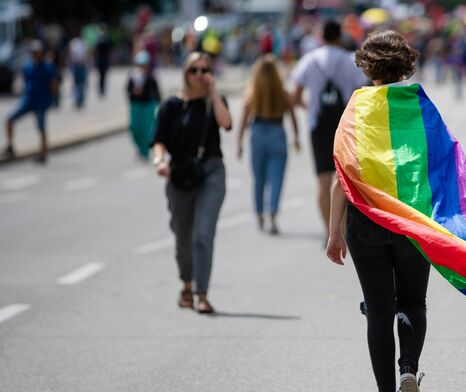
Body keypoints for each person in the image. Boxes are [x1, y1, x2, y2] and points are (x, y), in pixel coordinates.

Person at [326, 30, 428, 392]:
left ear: (367, 65)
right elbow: (441, 164)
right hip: (411, 220)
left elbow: (342, 174)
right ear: (406, 65)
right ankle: (409, 371)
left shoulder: (357, 106)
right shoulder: (418, 104)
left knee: (379, 310)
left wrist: (335, 232)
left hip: (365, 223)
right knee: (413, 302)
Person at [150, 52, 232, 314]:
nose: (199, 75)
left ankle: (202, 293)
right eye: (193, 70)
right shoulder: (171, 105)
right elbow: (158, 141)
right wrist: (160, 161)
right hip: (179, 175)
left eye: (204, 70)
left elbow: (227, 123)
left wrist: (214, 91)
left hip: (211, 173)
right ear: (185, 73)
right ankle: (187, 283)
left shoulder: (214, 102)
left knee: (203, 235)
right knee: (182, 237)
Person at [290, 20, 368, 238]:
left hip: (318, 126)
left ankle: (328, 231)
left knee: (323, 182)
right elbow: (362, 92)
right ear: (339, 37)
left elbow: (295, 96)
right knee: (344, 179)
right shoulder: (350, 60)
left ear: (321, 37)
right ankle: (342, 229)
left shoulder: (310, 59)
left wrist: (312, 108)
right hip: (345, 125)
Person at [236, 54, 300, 234]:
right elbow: (293, 116)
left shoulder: (252, 93)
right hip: (277, 132)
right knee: (276, 178)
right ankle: (272, 213)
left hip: (257, 133)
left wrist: (239, 143)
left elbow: (242, 120)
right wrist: (296, 138)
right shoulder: (282, 92)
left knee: (259, 179)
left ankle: (259, 214)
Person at [3, 40, 58, 163]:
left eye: (37, 52)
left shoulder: (48, 67)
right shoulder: (27, 66)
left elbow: (53, 85)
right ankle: (10, 146)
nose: (35, 54)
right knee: (9, 119)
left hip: (41, 102)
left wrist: (53, 100)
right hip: (28, 100)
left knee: (41, 128)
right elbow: (25, 82)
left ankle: (43, 153)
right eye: (33, 52)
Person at [126, 51, 160, 160]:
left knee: (147, 130)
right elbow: (128, 90)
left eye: (144, 65)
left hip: (148, 106)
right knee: (134, 128)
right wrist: (134, 92)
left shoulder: (151, 78)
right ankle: (140, 148)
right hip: (136, 105)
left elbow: (157, 93)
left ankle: (144, 151)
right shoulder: (133, 77)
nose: (142, 68)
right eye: (140, 65)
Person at [68, 36, 89, 109]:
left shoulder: (81, 43)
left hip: (80, 65)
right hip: (76, 65)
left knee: (80, 84)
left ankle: (80, 100)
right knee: (78, 84)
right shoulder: (74, 42)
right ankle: (78, 100)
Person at [95, 24, 113, 97]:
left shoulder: (99, 39)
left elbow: (96, 51)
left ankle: (101, 89)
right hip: (105, 60)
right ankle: (102, 89)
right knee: (103, 76)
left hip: (100, 60)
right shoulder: (107, 39)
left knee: (101, 76)